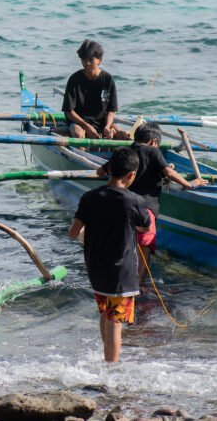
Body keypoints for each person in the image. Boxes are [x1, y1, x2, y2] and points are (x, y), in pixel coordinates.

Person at [68, 147, 151, 363]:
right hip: (121, 272)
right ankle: (110, 370)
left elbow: (73, 233)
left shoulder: (89, 197)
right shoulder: (134, 201)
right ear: (131, 175)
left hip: (95, 269)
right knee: (116, 320)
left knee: (105, 313)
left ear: (109, 169)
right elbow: (144, 228)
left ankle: (106, 357)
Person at [97, 122, 206, 274]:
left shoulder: (124, 152)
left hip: (122, 205)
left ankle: (119, 277)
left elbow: (99, 172)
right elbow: (168, 172)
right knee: (145, 247)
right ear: (154, 141)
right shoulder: (153, 152)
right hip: (145, 207)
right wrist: (189, 184)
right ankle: (139, 285)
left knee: (124, 244)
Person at [61, 39, 129, 140]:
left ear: (99, 60)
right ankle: (82, 154)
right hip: (79, 123)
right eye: (84, 59)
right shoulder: (74, 79)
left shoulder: (108, 79)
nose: (87, 63)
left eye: (90, 60)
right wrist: (86, 126)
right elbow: (69, 112)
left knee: (124, 135)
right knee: (79, 134)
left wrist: (107, 126)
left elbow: (111, 110)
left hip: (101, 123)